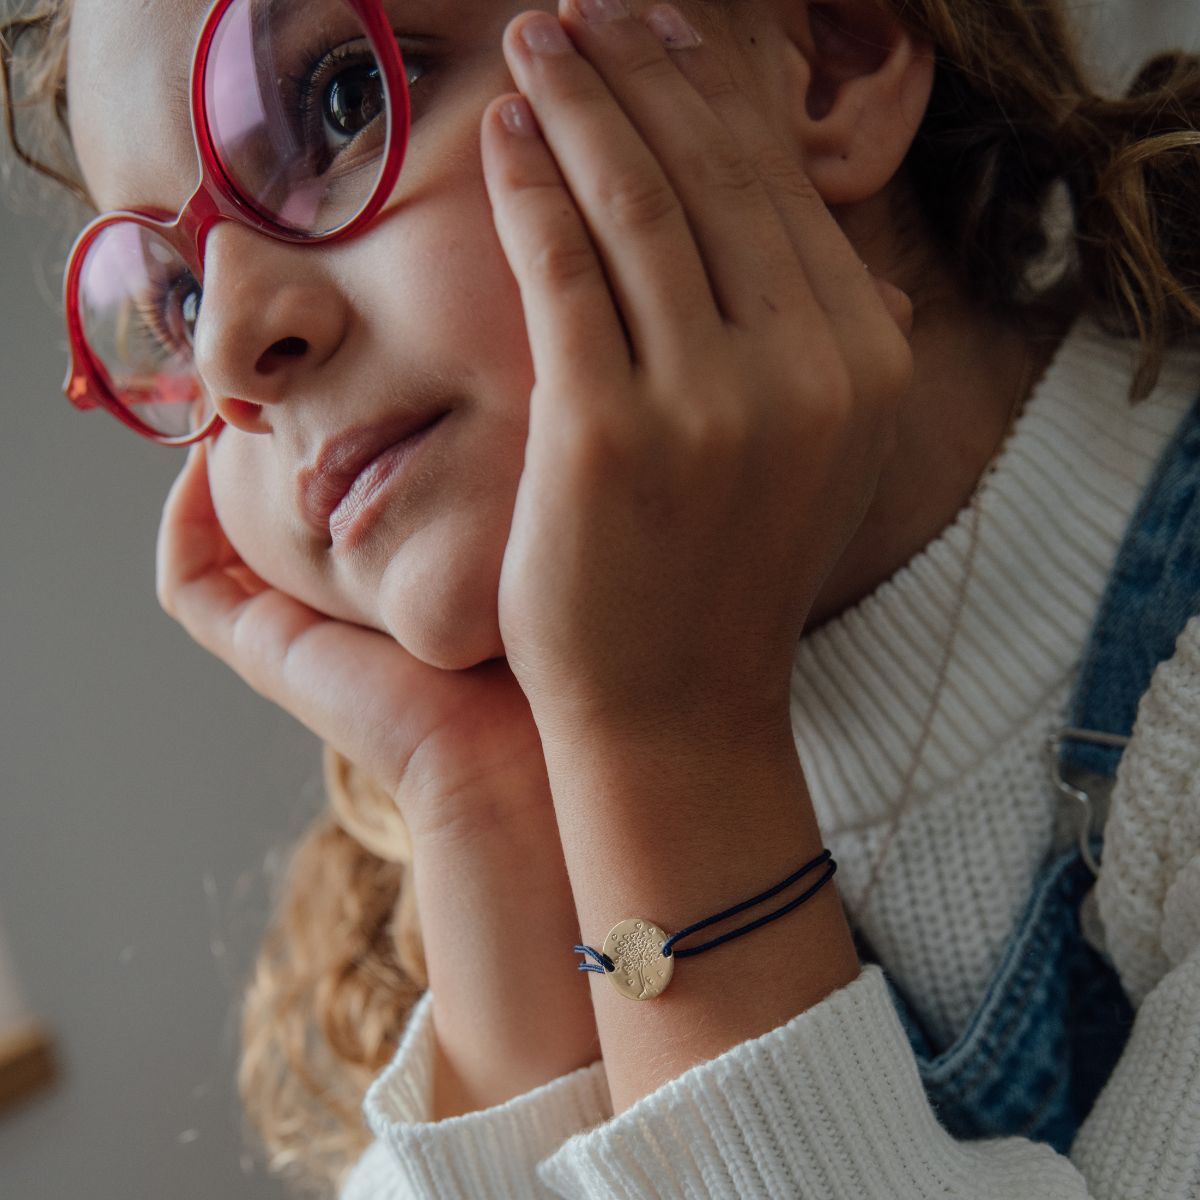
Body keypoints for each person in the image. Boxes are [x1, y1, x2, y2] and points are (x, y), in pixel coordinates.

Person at [2, 0, 1199, 1196]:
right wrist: (479, 811)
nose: (232, 351)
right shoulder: (494, 829)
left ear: (830, 49)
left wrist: (672, 746)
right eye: (178, 299)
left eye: (345, 101)